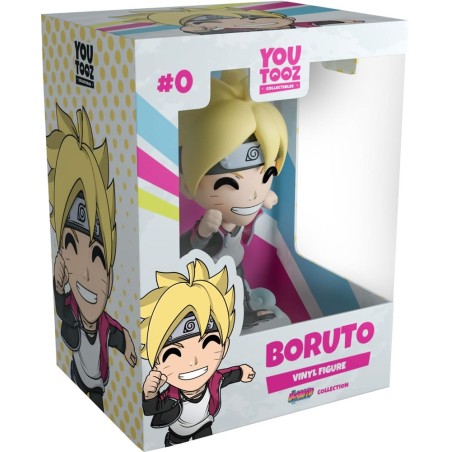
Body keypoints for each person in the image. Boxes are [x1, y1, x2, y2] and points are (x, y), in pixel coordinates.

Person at [179, 69, 288, 328]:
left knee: (239, 289)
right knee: (210, 302)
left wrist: (264, 196)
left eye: (266, 176)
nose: (252, 194)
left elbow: (250, 203)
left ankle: (245, 314)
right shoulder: (210, 222)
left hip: (235, 264)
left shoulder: (248, 204)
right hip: (209, 274)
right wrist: (204, 231)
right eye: (229, 184)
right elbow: (190, 247)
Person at [47, 105, 137, 411]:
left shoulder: (105, 325)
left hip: (98, 386)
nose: (85, 273)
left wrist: (128, 347)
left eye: (98, 255)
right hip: (75, 373)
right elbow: (64, 314)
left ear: (109, 275)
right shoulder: (72, 309)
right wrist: (58, 286)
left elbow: (118, 333)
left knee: (96, 406)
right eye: (71, 244)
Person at [141, 259, 255, 446]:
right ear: (156, 362)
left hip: (204, 425)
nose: (193, 361)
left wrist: (241, 372)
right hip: (178, 433)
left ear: (224, 347)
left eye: (208, 343)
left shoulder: (214, 380)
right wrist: (150, 393)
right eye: (173, 353)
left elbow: (227, 375)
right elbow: (151, 410)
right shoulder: (171, 395)